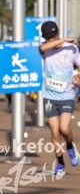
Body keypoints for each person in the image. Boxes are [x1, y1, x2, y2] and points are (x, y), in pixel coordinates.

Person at [38, 21, 80, 175]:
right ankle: (60, 164)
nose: (50, 39)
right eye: (48, 37)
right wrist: (64, 39)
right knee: (55, 133)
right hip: (49, 96)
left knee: (64, 128)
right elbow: (42, 48)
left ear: (58, 32)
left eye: (53, 36)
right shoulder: (46, 48)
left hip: (67, 95)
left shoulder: (71, 49)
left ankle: (70, 146)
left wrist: (79, 75)